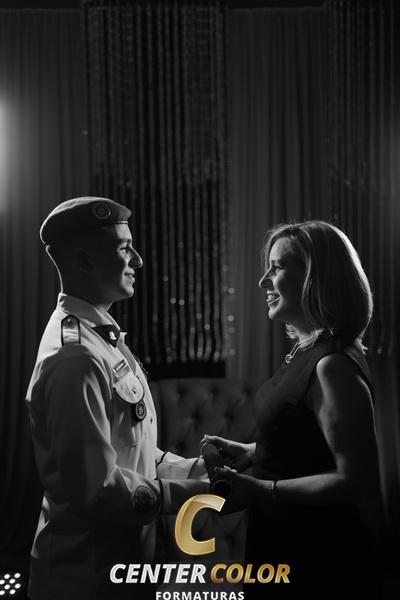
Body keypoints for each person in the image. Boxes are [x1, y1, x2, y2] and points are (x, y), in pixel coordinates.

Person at [26, 197, 209, 600]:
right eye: (125, 248)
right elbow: (96, 489)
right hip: (84, 580)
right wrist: (193, 494)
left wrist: (196, 468)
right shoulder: (76, 357)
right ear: (85, 260)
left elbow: (128, 447)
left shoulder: (99, 337)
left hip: (120, 570)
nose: (138, 260)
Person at [202, 220, 382, 598]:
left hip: (320, 556)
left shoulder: (331, 365)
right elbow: (310, 445)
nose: (263, 281)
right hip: (283, 537)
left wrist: (261, 489)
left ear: (315, 278)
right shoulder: (305, 351)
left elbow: (356, 479)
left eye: (277, 267)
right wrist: (254, 453)